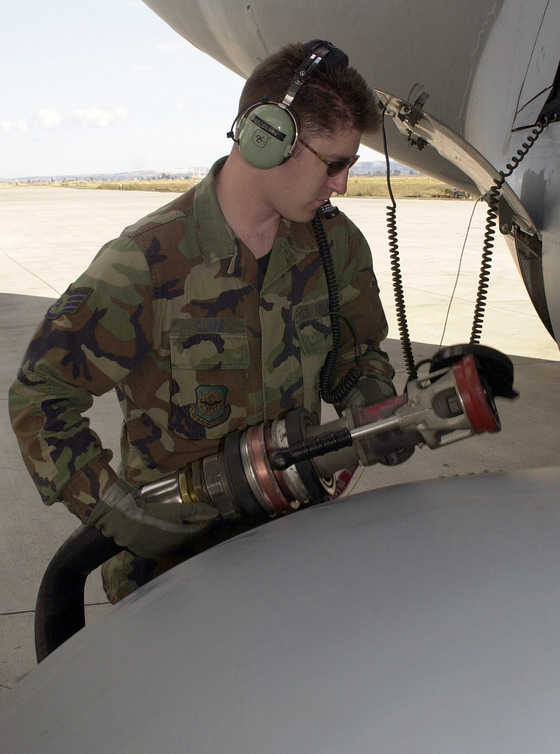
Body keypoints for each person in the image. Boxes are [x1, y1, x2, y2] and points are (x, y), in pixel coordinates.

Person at [9, 40, 396, 603]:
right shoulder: (148, 260)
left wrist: (373, 401)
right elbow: (39, 394)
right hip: (173, 576)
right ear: (267, 140)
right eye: (333, 164)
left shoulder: (335, 245)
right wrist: (114, 510)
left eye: (350, 165)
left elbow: (353, 353)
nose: (342, 184)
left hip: (294, 549)